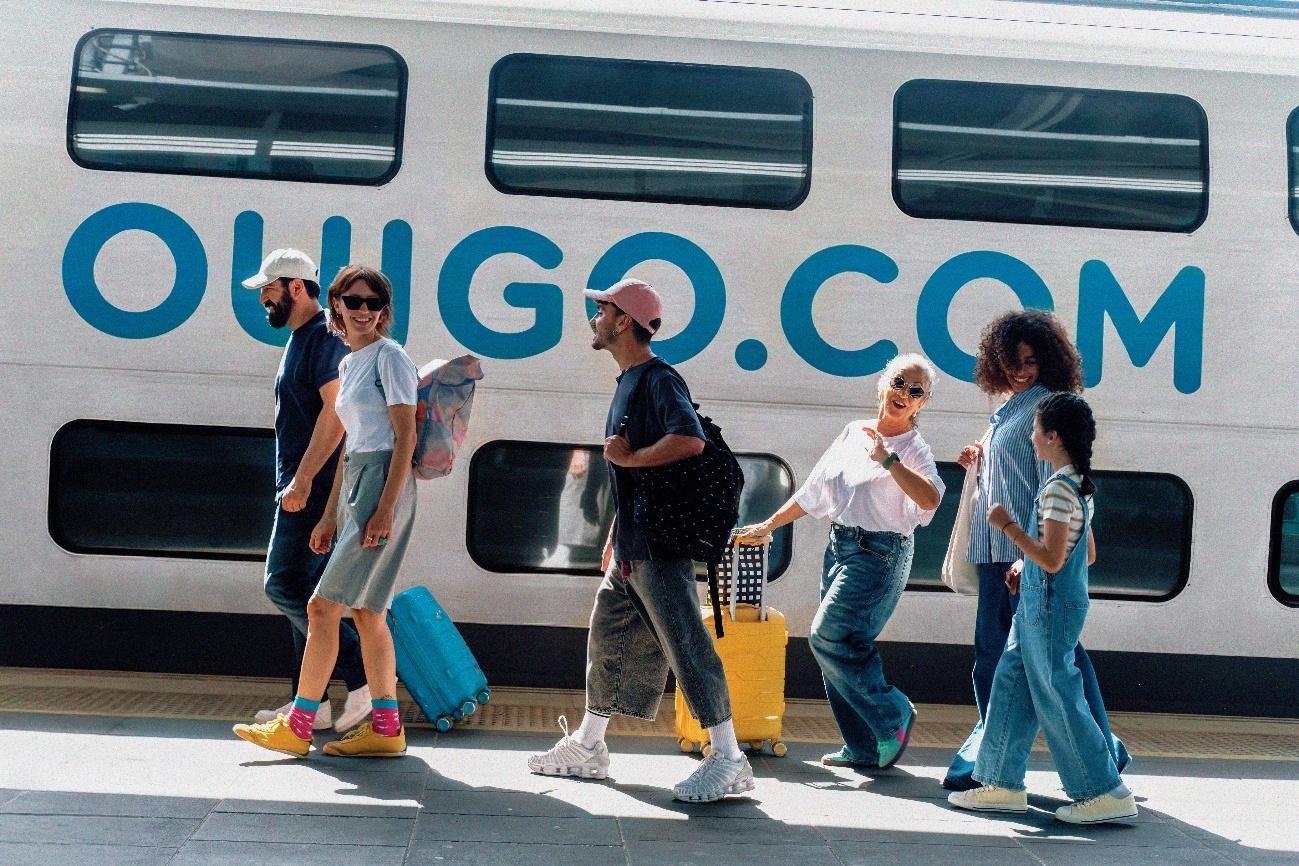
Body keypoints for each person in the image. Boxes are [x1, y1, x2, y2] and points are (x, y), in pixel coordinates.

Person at [526, 277, 754, 803]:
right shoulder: (629, 380)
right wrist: (614, 531)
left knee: (686, 645)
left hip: (658, 545)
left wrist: (628, 458)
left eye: (601, 310)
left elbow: (690, 439)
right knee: (607, 635)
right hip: (632, 544)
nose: (594, 319)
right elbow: (631, 475)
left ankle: (729, 757)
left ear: (623, 320)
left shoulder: (657, 379)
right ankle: (589, 745)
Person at [233, 265, 419, 758]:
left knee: (320, 606)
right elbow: (350, 445)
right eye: (353, 302)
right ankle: (384, 728)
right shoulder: (351, 363)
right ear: (336, 304)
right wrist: (331, 514)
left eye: (373, 303)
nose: (363, 311)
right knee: (366, 611)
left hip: (382, 486)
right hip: (358, 481)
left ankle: (298, 724)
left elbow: (405, 439)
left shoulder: (390, 358)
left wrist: (383, 509)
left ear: (384, 310)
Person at [943, 310, 1129, 791]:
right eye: (1011, 362)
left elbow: (1054, 479)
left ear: (1048, 360)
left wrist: (1030, 555)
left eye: (1030, 360)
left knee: (1014, 658)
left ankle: (991, 762)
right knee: (1042, 657)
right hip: (995, 553)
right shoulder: (1009, 407)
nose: (1021, 370)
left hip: (1017, 555)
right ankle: (1098, 750)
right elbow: (1014, 470)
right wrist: (979, 458)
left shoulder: (1044, 408)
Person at [736, 353, 944, 769]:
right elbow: (814, 491)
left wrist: (889, 461)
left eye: (915, 391)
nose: (904, 393)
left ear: (922, 405)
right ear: (882, 385)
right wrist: (769, 524)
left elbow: (930, 499)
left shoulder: (914, 449)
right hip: (840, 547)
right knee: (843, 646)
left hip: (881, 554)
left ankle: (892, 714)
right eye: (899, 383)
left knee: (826, 636)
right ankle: (864, 747)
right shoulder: (853, 432)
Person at [242, 248, 371, 734]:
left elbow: (335, 415)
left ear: (296, 286)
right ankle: (308, 705)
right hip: (301, 482)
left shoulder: (322, 339)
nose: (263, 300)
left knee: (284, 585)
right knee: (309, 591)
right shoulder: (302, 338)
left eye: (268, 289)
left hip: (311, 487)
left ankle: (362, 679)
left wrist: (303, 480)